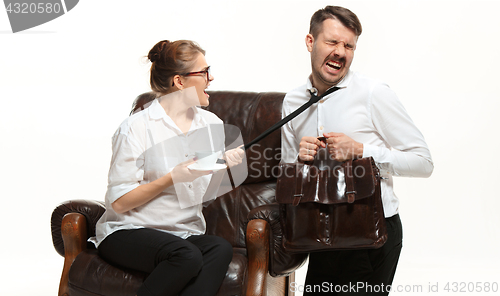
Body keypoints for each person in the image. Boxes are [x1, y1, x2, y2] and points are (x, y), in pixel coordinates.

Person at [281, 6, 434, 295]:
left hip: (371, 232)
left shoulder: (374, 93)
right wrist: (298, 160)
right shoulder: (292, 101)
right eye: (332, 42)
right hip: (322, 232)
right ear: (310, 42)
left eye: (349, 46)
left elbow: (423, 162)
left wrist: (362, 150)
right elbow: (288, 176)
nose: (340, 52)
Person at [89, 40, 244, 296]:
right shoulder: (136, 128)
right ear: (179, 82)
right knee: (187, 256)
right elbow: (119, 204)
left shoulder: (211, 125)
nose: (211, 78)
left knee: (219, 248)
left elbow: (198, 188)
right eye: (204, 72)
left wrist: (221, 164)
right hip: (129, 231)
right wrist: (172, 177)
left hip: (183, 233)